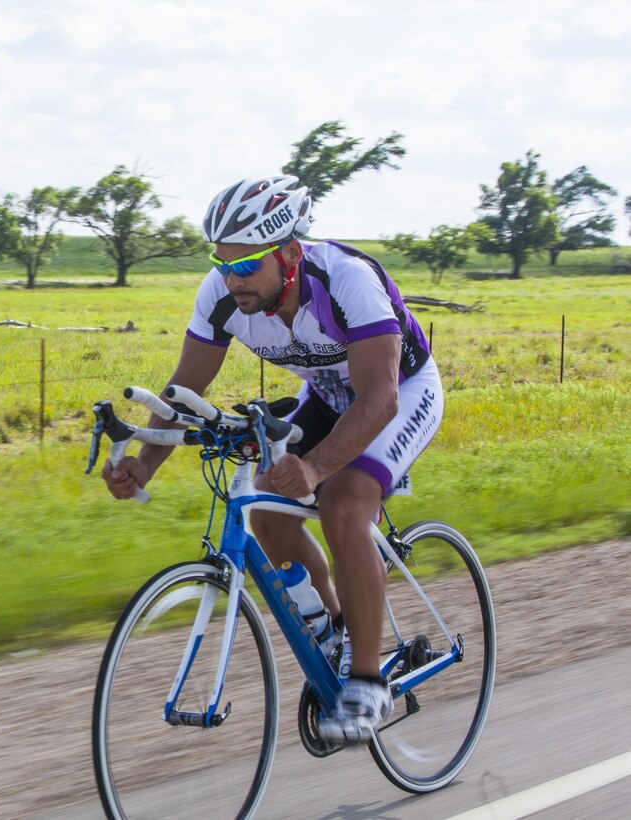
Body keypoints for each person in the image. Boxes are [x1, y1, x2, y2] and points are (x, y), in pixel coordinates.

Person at [101, 175, 443, 743]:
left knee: (343, 504)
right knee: (266, 508)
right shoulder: (220, 295)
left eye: (245, 267)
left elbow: (379, 399)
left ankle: (366, 684)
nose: (231, 280)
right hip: (328, 394)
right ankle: (334, 626)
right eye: (222, 264)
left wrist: (314, 468)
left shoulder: (346, 280)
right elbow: (184, 387)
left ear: (288, 253)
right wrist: (144, 462)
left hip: (400, 391)